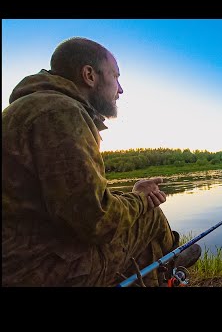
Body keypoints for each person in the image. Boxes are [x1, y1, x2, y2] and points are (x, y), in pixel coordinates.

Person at [2, 37, 201, 287]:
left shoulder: (26, 107)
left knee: (132, 212)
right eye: (116, 76)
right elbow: (96, 222)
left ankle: (168, 262)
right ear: (89, 75)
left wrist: (131, 196)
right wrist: (139, 198)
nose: (120, 89)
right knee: (147, 215)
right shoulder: (61, 112)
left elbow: (73, 204)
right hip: (35, 269)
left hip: (23, 255)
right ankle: (171, 260)